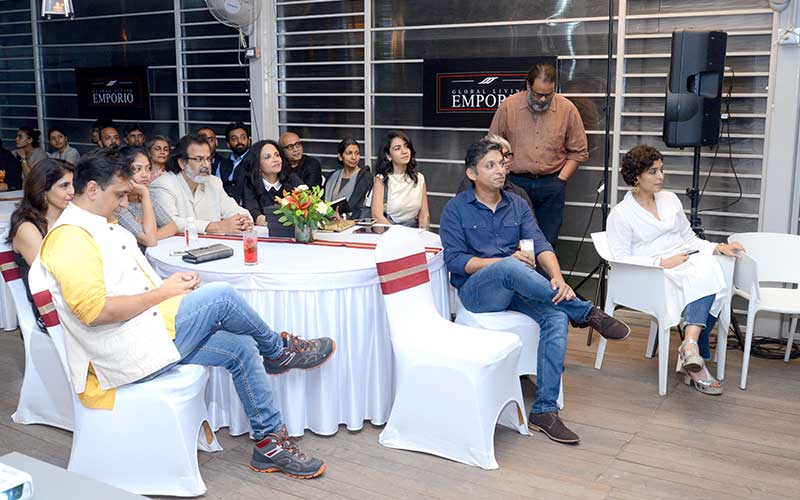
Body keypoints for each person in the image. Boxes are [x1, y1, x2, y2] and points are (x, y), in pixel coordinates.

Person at [32, 148, 333, 478]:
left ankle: (269, 443)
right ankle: (277, 351)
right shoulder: (71, 238)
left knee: (242, 346)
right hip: (121, 356)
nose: (123, 203)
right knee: (222, 295)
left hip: (145, 334)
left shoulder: (103, 226)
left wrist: (169, 289)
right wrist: (164, 293)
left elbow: (130, 286)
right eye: (119, 195)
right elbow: (96, 312)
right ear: (92, 189)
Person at [439, 139, 630, 445]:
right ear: (472, 173)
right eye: (490, 165)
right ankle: (586, 312)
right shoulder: (456, 209)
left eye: (502, 163)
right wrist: (503, 263)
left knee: (555, 316)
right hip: (477, 294)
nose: (500, 170)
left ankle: (545, 410)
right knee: (510, 266)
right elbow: (455, 261)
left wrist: (558, 278)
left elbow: (540, 244)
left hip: (516, 289)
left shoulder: (516, 204)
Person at [606, 145, 744, 395]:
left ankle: (690, 347)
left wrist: (719, 247)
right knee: (706, 280)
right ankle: (694, 354)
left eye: (662, 170)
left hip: (683, 263)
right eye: (653, 172)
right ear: (636, 176)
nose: (661, 176)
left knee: (710, 268)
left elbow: (689, 239)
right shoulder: (621, 214)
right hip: (651, 273)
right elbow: (621, 259)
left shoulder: (670, 200)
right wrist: (661, 263)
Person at [489, 63, 589, 248]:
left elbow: (579, 151)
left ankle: (544, 269)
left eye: (548, 95)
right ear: (528, 86)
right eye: (537, 94)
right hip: (515, 183)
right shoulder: (509, 106)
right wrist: (504, 168)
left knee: (547, 241)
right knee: (512, 239)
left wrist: (560, 180)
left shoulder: (567, 109)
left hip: (551, 183)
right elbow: (492, 144)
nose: (542, 99)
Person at [6, 159, 74, 325]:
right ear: (43, 190)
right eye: (64, 186)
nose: (72, 191)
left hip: (76, 298)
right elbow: (49, 276)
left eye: (74, 184)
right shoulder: (27, 228)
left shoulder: (70, 218)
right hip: (51, 310)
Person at [150, 133, 252, 233]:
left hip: (212, 243)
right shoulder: (162, 185)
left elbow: (233, 210)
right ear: (182, 163)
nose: (206, 165)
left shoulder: (214, 182)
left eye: (208, 159)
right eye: (199, 159)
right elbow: (171, 223)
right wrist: (215, 227)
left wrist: (243, 221)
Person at [116, 146, 178, 247]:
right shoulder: (118, 204)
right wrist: (144, 194)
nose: (145, 174)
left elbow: (172, 226)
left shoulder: (146, 196)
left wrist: (153, 234)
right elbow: (150, 241)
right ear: (121, 172)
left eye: (148, 168)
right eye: (138, 169)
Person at [457, 134, 534, 213]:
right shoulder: (467, 187)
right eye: (501, 156)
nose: (506, 160)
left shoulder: (519, 193)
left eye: (508, 155)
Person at [371, 131, 430, 229]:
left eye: (406, 146)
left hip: (414, 231)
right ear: (388, 156)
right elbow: (377, 215)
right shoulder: (381, 179)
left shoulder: (419, 178)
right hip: (390, 231)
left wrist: (423, 233)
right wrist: (398, 234)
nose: (404, 151)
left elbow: (424, 215)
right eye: (397, 148)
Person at [238, 140, 302, 227]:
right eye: (267, 157)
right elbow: (255, 215)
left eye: (277, 155)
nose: (275, 160)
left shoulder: (292, 179)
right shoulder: (250, 184)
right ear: (258, 165)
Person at [323, 138, 373, 219]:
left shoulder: (364, 177)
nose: (354, 157)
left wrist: (343, 217)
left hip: (351, 222)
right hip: (327, 221)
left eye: (357, 153)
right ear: (340, 157)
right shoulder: (332, 176)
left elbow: (361, 207)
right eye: (349, 153)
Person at [218, 122, 250, 198]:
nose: (239, 141)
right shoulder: (222, 164)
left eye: (243, 138)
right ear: (228, 144)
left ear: (249, 141)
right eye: (234, 139)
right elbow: (217, 188)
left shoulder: (255, 161)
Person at [197, 127, 230, 194]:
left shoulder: (225, 164)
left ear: (216, 142)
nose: (207, 143)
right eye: (202, 140)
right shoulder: (191, 164)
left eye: (210, 140)